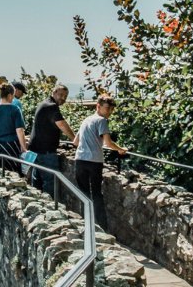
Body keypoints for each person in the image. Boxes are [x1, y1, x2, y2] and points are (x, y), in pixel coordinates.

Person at [73, 95, 127, 232]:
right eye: (107, 109)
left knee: (84, 194)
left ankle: (85, 226)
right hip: (94, 161)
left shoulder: (86, 120)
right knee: (96, 194)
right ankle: (102, 228)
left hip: (79, 159)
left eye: (111, 110)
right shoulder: (102, 121)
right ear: (98, 106)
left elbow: (75, 142)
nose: (109, 112)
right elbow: (108, 143)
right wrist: (121, 150)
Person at [27, 82, 75, 198]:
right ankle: (52, 208)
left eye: (65, 96)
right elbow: (62, 125)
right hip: (45, 151)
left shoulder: (43, 104)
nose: (63, 98)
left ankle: (37, 205)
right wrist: (75, 139)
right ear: (54, 92)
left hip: (35, 150)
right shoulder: (51, 106)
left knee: (37, 181)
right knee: (51, 182)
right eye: (61, 95)